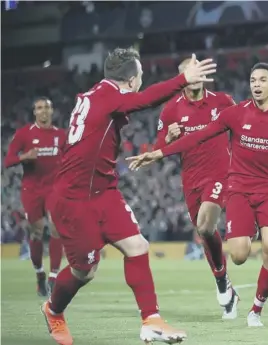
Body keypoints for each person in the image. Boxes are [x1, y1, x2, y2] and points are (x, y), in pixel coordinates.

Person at [127, 62, 268, 327]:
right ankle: (243, 243)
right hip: (239, 190)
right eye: (252, 80)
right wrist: (159, 152)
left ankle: (256, 309)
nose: (256, 85)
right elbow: (199, 137)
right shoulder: (235, 114)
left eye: (262, 80)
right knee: (238, 256)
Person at [41, 48, 216, 345]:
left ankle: (151, 321)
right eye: (141, 78)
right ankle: (53, 310)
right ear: (132, 80)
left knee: (137, 246)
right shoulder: (109, 94)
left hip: (102, 191)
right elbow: (144, 101)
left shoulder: (99, 94)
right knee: (85, 270)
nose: (142, 84)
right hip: (74, 198)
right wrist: (182, 79)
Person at [154, 57, 238, 319]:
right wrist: (167, 138)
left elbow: (241, 130)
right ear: (182, 78)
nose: (194, 76)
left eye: (198, 72)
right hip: (191, 180)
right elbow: (160, 148)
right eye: (188, 73)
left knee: (205, 226)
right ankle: (223, 281)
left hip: (219, 175)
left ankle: (223, 281)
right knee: (204, 232)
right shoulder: (170, 111)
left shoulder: (222, 101)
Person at [4, 97, 66, 296]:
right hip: (32, 190)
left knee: (57, 229)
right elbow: (8, 161)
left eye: (47, 107)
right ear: (34, 112)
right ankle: (39, 273)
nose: (44, 111)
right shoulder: (24, 134)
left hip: (55, 189)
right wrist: (24, 157)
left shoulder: (61, 135)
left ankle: (54, 277)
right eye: (40, 108)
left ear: (52, 110)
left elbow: (72, 159)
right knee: (36, 232)